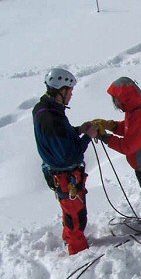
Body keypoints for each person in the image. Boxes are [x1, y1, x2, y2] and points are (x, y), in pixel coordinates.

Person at [92, 77, 141, 242]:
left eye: (116, 100)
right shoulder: (135, 109)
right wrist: (111, 125)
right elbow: (130, 129)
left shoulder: (140, 114)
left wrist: (104, 137)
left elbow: (128, 145)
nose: (115, 104)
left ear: (124, 99)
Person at [32, 68, 98, 255]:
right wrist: (88, 136)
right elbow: (69, 154)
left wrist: (78, 130)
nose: (71, 94)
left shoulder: (45, 109)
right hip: (66, 175)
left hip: (58, 173)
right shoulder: (51, 119)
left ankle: (69, 238)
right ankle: (78, 252)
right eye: (69, 90)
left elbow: (60, 139)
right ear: (60, 90)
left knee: (70, 211)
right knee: (76, 216)